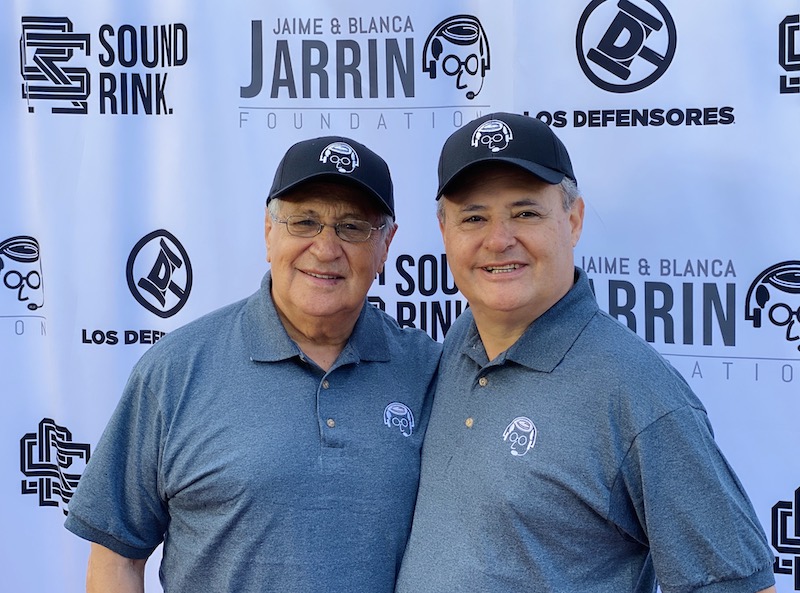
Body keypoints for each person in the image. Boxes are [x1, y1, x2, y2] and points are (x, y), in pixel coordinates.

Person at [395, 113, 777, 593]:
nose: (498, 239)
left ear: (572, 221)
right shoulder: (460, 344)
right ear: (445, 230)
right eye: (474, 217)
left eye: (526, 213)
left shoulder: (637, 392)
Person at [65, 136, 441, 592]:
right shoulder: (175, 371)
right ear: (269, 232)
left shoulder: (427, 370)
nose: (325, 248)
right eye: (304, 222)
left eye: (352, 227)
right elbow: (116, 557)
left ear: (385, 245)